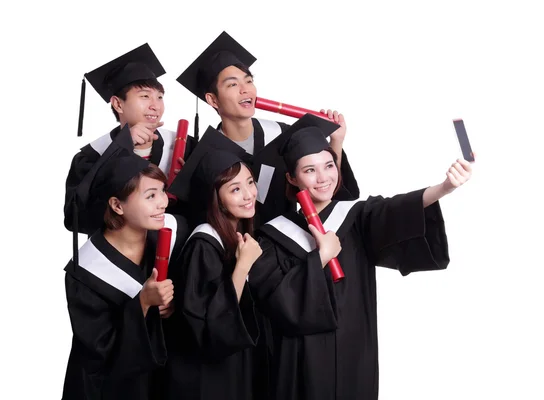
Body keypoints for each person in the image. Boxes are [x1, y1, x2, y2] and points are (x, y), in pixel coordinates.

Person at [248, 114, 474, 400]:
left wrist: (444, 188)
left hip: (353, 350)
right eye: (309, 171)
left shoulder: (356, 217)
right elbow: (273, 300)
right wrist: (318, 259)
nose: (323, 178)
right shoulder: (274, 235)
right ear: (292, 178)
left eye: (329, 165)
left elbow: (395, 210)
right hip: (299, 361)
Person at [176, 31, 359, 224]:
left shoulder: (283, 134)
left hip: (291, 240)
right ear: (212, 99)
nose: (245, 89)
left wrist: (336, 141)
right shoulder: (204, 155)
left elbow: (328, 192)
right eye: (232, 85)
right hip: (235, 249)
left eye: (249, 81)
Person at [62, 126, 188, 400]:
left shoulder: (171, 236)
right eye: (150, 196)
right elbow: (100, 352)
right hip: (106, 389)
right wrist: (143, 303)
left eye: (162, 191)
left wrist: (173, 305)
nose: (164, 203)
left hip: (162, 383)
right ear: (117, 205)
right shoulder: (86, 271)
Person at [163, 130, 266, 399]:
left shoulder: (235, 238)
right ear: (216, 200)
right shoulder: (203, 244)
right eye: (235, 189)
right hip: (203, 378)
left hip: (230, 369)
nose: (248, 194)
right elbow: (209, 326)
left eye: (250, 182)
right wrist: (242, 266)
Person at [65, 43, 197, 234]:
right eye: (144, 96)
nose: (155, 106)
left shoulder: (182, 145)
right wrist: (121, 148)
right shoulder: (91, 156)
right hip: (118, 255)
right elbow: (76, 220)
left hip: (172, 254)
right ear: (118, 104)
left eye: (159, 97)